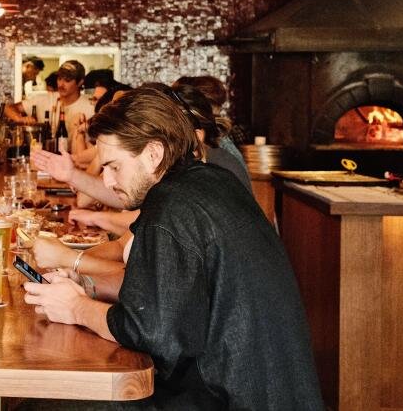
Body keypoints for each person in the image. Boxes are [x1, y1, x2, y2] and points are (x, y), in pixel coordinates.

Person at [22, 87, 324, 409]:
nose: (107, 181)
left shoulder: (171, 207)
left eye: (115, 167)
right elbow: (158, 295)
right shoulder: (212, 181)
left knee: (45, 401)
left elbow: (148, 332)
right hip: (280, 394)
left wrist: (75, 308)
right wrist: (85, 286)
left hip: (225, 399)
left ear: (154, 153)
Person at [6, 60, 95, 141]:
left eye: (67, 80)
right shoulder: (44, 99)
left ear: (80, 82)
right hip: (45, 152)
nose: (61, 84)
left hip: (77, 153)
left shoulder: (91, 105)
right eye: (59, 79)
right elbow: (8, 108)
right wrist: (19, 118)